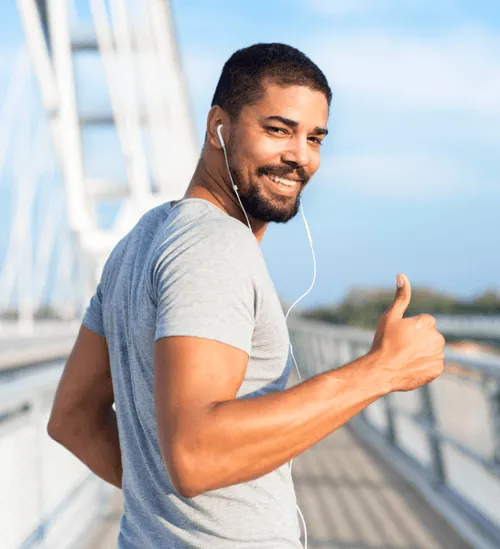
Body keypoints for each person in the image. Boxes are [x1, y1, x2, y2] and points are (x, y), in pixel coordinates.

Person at [47, 43, 445, 549]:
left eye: (314, 138)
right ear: (220, 126)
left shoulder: (141, 238)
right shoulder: (216, 244)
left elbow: (73, 419)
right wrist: (380, 370)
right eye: (278, 129)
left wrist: (172, 516)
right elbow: (195, 455)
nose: (300, 156)